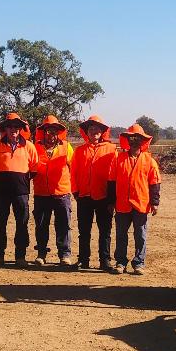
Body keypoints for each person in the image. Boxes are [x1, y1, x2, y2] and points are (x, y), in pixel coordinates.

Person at [107, 124, 161, 275]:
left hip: (141, 204)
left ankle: (139, 263)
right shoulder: (118, 159)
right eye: (132, 138)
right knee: (121, 235)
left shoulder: (149, 161)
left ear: (143, 141)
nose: (135, 141)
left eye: (138, 138)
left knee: (140, 235)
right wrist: (111, 202)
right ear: (128, 140)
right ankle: (120, 262)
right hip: (122, 205)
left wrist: (155, 203)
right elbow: (111, 182)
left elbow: (155, 183)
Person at [0, 113, 39, 267]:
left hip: (21, 193)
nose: (13, 129)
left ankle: (20, 257)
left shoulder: (29, 146)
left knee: (22, 224)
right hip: (1, 193)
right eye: (10, 126)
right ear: (5, 128)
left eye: (16, 126)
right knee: (0, 223)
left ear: (21, 129)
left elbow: (34, 169)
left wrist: (20, 180)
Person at [71, 115, 115, 271]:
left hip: (103, 197)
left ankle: (105, 261)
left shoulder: (111, 149)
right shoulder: (80, 150)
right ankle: (83, 260)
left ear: (102, 132)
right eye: (91, 129)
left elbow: (114, 174)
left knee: (105, 231)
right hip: (84, 196)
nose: (94, 131)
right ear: (86, 132)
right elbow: (73, 172)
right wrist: (75, 192)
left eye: (97, 129)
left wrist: (112, 199)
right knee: (84, 231)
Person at [31, 115, 74, 266]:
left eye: (54, 131)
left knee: (63, 225)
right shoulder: (35, 147)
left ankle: (64, 255)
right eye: (48, 131)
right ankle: (41, 253)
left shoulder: (66, 147)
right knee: (41, 225)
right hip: (41, 192)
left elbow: (73, 168)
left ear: (58, 133)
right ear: (43, 132)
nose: (51, 134)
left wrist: (73, 190)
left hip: (61, 193)